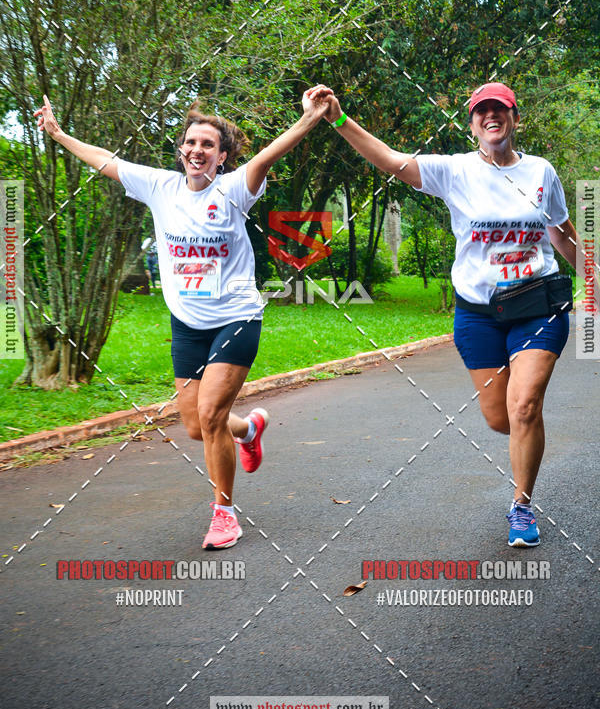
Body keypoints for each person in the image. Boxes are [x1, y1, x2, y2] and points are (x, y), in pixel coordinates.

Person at [35, 89, 331, 549]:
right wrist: (58, 134)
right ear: (181, 150)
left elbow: (272, 153)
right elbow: (103, 159)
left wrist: (310, 119)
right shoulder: (159, 187)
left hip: (236, 316)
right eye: (191, 142)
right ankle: (249, 428)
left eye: (208, 145)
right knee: (195, 425)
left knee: (211, 415)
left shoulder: (235, 189)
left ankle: (224, 514)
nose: (197, 150)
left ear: (223, 156)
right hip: (187, 324)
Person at [311, 81, 581, 547]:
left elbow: (561, 232)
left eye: (501, 110)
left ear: (515, 119)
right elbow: (392, 160)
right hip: (478, 312)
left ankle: (521, 505)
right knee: (501, 417)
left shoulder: (541, 172)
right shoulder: (454, 171)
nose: (491, 117)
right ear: (472, 123)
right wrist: (337, 118)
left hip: (538, 304)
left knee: (524, 404)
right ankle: (525, 434)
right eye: (482, 111)